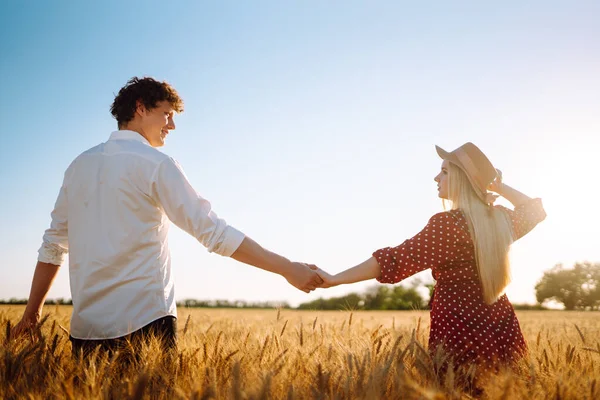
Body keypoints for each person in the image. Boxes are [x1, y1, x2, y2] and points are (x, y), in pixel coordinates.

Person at [12, 77, 323, 359]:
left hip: (86, 331)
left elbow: (53, 245)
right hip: (146, 321)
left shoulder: (78, 166)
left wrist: (32, 314)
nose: (171, 125)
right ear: (140, 108)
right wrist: (286, 268)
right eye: (166, 113)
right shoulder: (156, 164)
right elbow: (213, 232)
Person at [312, 142, 546, 386]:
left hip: (459, 329)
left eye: (445, 172)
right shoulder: (501, 220)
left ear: (461, 179)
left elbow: (394, 260)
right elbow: (534, 211)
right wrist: (497, 185)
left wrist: (335, 278)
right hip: (502, 323)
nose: (436, 178)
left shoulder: (448, 225)